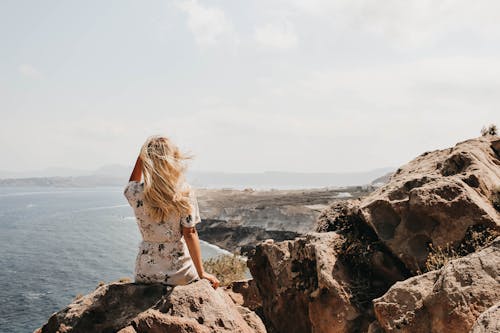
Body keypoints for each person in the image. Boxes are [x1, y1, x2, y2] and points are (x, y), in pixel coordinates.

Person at [123, 135, 220, 289]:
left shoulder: (135, 192)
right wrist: (202, 273)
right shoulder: (183, 192)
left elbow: (131, 183)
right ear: (172, 160)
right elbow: (190, 234)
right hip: (179, 274)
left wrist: (141, 157)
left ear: (146, 161)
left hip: (145, 274)